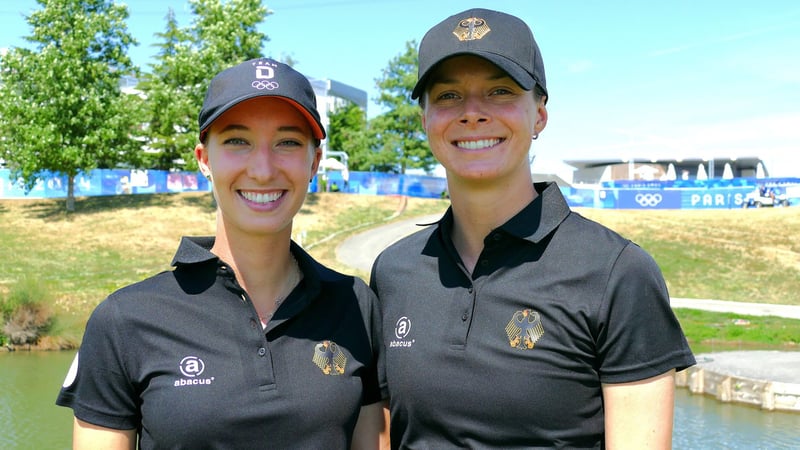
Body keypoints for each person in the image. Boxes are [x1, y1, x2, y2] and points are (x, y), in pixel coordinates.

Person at [370, 8, 695, 449]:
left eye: (500, 91)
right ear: (425, 119)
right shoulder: (394, 271)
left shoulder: (617, 272)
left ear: (539, 114)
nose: (472, 113)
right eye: (448, 96)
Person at [57, 57, 387, 449]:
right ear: (204, 160)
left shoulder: (356, 305)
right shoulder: (124, 320)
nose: (262, 170)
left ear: (314, 161)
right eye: (237, 141)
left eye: (287, 142)